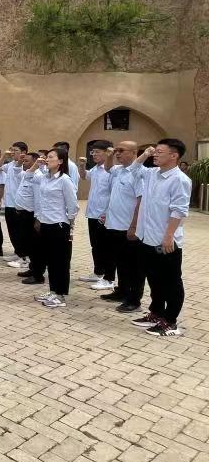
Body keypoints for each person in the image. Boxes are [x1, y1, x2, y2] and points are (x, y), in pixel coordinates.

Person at [127, 140, 192, 337]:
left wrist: (169, 236)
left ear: (174, 155)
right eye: (155, 151)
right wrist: (145, 154)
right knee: (154, 279)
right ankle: (156, 313)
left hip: (165, 241)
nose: (155, 154)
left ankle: (170, 322)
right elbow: (133, 168)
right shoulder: (152, 173)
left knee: (171, 282)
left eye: (159, 152)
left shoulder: (180, 180)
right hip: (147, 237)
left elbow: (179, 210)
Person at [28, 147, 79, 309]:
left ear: (60, 161)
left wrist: (70, 223)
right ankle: (53, 290)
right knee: (50, 260)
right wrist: (36, 164)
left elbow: (73, 206)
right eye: (46, 157)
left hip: (59, 225)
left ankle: (60, 295)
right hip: (45, 225)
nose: (47, 159)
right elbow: (27, 176)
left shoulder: (65, 180)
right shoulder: (44, 177)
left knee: (60, 262)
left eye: (51, 157)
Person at [99, 141, 144, 312]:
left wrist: (134, 226)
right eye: (116, 150)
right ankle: (122, 291)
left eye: (121, 150)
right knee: (120, 262)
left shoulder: (138, 173)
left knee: (133, 266)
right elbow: (108, 168)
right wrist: (110, 155)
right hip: (114, 225)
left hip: (128, 228)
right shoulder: (118, 170)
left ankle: (134, 299)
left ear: (134, 152)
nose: (117, 153)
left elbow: (141, 201)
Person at [76, 141, 114, 288]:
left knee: (106, 247)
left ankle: (109, 279)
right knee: (95, 246)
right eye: (93, 152)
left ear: (107, 152)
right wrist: (81, 166)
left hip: (104, 215)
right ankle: (98, 273)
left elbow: (114, 194)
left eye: (97, 152)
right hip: (92, 213)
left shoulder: (112, 171)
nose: (94, 155)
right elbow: (84, 176)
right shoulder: (96, 169)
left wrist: (107, 213)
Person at [0, 142, 28, 266]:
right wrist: (4, 155)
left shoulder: (25, 165)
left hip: (19, 205)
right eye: (11, 150)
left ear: (23, 152)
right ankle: (17, 252)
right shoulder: (10, 164)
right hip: (9, 203)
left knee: (20, 232)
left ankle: (24, 256)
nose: (12, 152)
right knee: (12, 231)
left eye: (15, 150)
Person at [14, 152, 46, 284]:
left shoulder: (38, 177)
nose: (24, 163)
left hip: (31, 216)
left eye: (27, 161)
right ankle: (33, 269)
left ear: (35, 162)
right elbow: (17, 171)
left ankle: (38, 274)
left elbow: (39, 200)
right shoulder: (27, 174)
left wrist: (38, 219)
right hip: (23, 215)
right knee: (28, 245)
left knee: (35, 246)